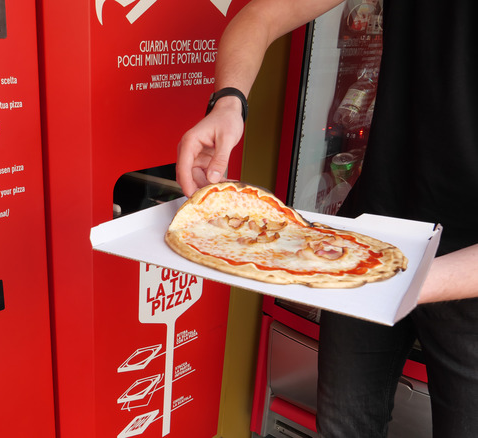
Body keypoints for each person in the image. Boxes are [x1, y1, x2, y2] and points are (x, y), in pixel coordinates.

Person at [176, 0, 478, 436]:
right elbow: (260, 17)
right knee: (342, 427)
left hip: (462, 279)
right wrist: (228, 103)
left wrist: (395, 278)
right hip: (369, 232)